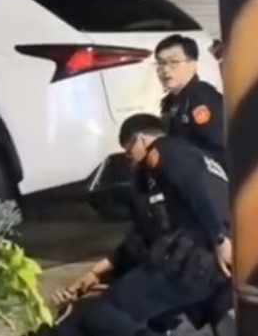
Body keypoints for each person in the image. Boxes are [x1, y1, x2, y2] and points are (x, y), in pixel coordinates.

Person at [47, 114, 232, 336]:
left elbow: (199, 190)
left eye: (129, 152)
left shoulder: (165, 151)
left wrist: (220, 238)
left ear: (142, 140)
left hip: (191, 265)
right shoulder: (193, 157)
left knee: (106, 312)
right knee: (133, 312)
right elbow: (142, 236)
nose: (131, 161)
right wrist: (96, 273)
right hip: (203, 268)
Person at [155, 34, 226, 167]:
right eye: (161, 63)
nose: (165, 69)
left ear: (193, 64)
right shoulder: (170, 102)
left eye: (174, 62)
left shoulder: (202, 98)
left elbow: (217, 148)